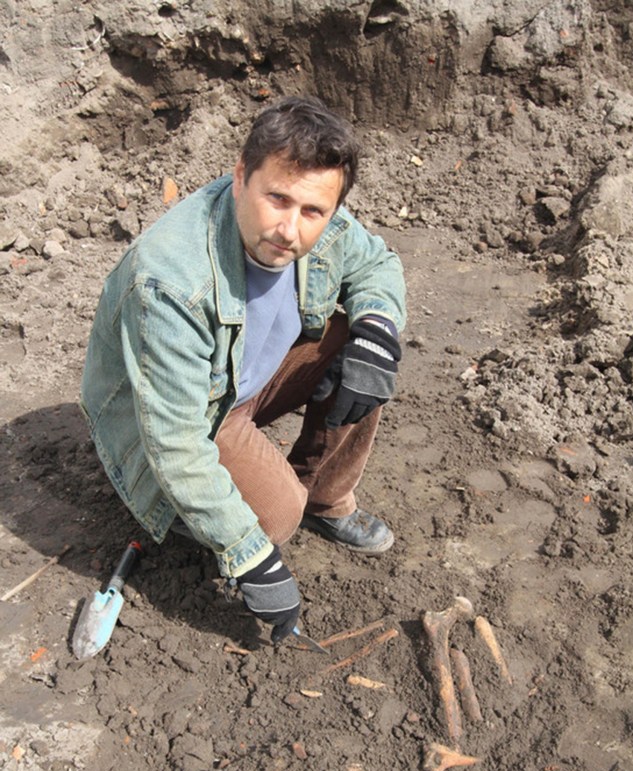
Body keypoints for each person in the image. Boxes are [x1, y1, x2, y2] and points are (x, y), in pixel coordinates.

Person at [81, 95, 406, 646]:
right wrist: (252, 557)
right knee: (274, 522)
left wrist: (379, 331)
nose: (289, 229)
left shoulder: (315, 215)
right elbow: (178, 441)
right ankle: (189, 516)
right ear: (239, 177)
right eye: (276, 199)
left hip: (249, 375)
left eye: (312, 212)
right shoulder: (169, 282)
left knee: (367, 347)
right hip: (193, 412)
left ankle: (324, 498)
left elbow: (375, 262)